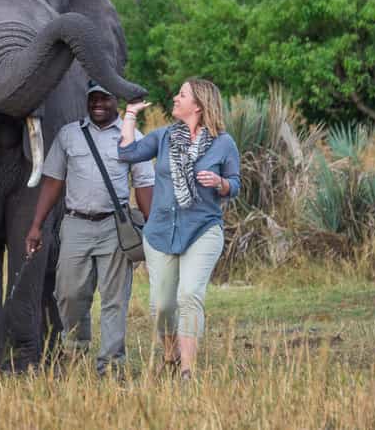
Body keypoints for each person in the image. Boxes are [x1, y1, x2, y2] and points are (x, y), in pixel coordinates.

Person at [25, 82, 154, 377]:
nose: (98, 103)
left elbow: (145, 184)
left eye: (104, 98)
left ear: (115, 102)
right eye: (93, 98)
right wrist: (36, 225)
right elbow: (53, 181)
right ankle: (76, 348)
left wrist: (153, 229)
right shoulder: (69, 135)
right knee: (69, 293)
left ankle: (110, 365)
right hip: (75, 224)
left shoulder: (131, 136)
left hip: (115, 226)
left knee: (114, 298)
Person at [117, 78, 241, 380]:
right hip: (160, 232)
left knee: (189, 295)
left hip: (202, 229)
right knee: (161, 305)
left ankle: (187, 370)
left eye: (181, 95)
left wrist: (221, 183)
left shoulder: (223, 143)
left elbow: (235, 185)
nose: (175, 98)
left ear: (198, 104)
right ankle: (170, 353)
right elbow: (127, 153)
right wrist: (131, 115)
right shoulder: (163, 137)